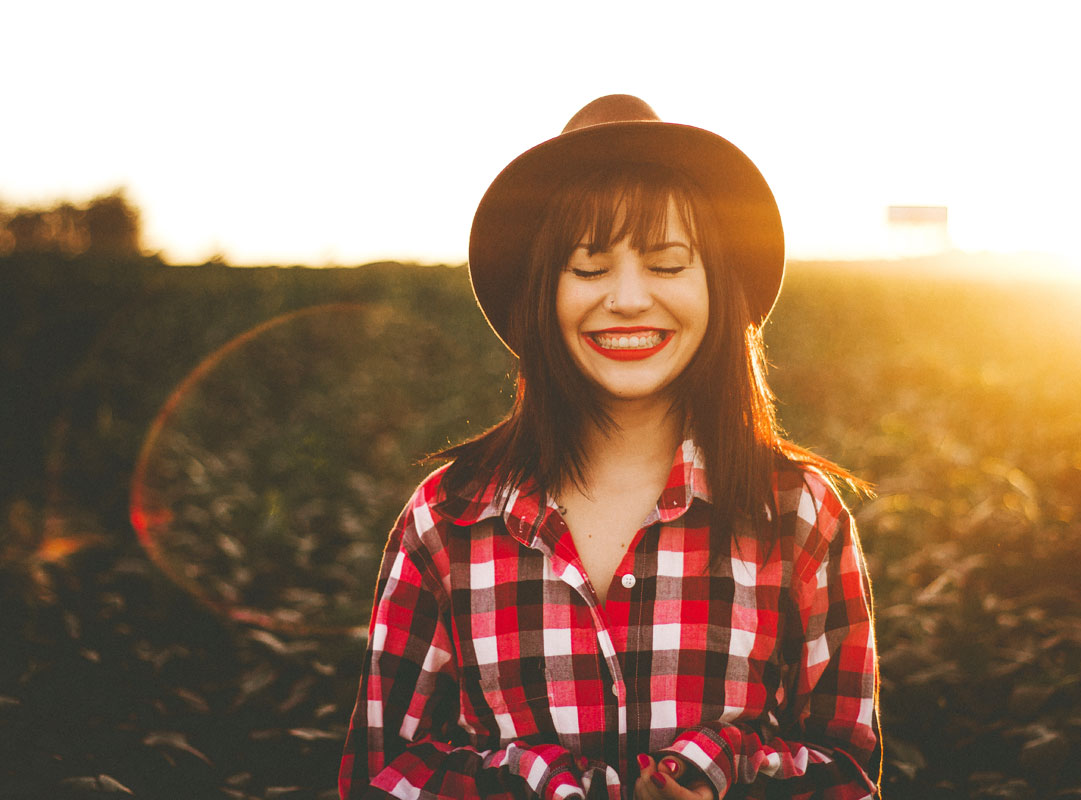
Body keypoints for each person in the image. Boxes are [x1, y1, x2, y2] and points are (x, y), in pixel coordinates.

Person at [339, 95, 880, 800]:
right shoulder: (446, 520)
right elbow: (383, 776)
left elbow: (847, 773)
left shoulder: (801, 515)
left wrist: (725, 772)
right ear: (542, 291)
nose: (627, 299)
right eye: (588, 268)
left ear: (717, 286)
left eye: (667, 265)